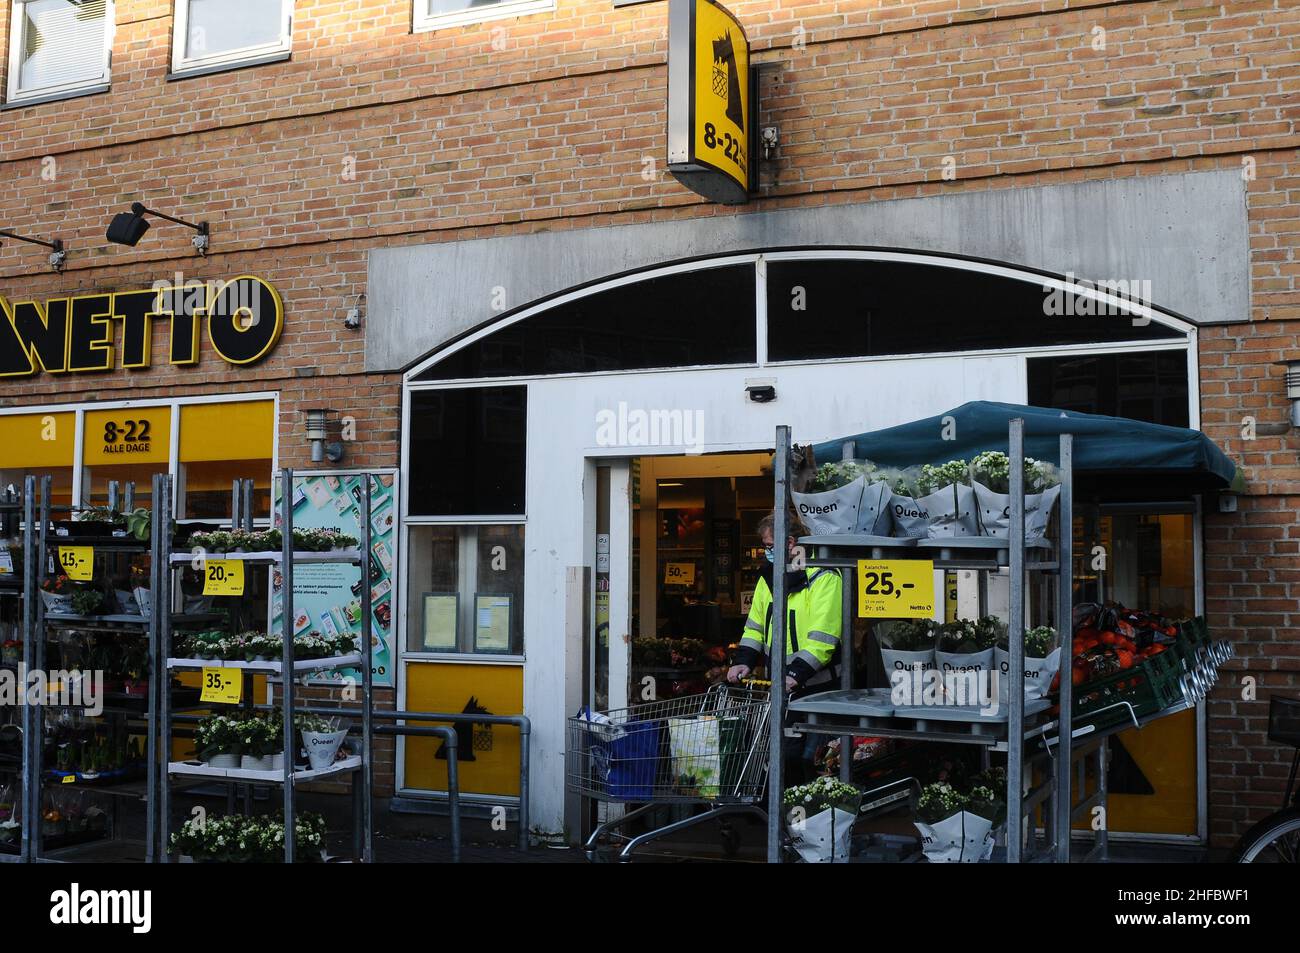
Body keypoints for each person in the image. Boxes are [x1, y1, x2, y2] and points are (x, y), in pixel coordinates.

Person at [727, 511, 843, 695]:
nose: (767, 553)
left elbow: (823, 639)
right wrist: (743, 660)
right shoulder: (769, 576)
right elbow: (755, 627)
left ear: (790, 543)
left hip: (819, 687)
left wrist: (796, 673)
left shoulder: (824, 576)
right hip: (781, 683)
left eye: (770, 546)